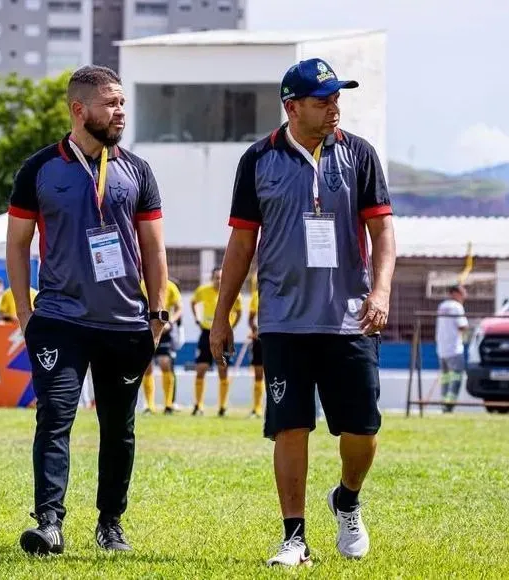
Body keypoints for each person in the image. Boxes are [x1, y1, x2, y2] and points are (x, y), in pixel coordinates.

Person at [209, 58, 396, 567]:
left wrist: (380, 293)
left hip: (350, 318)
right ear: (291, 107)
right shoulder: (257, 160)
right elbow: (241, 242)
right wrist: (222, 314)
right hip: (284, 321)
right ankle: (294, 537)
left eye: (337, 98)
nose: (334, 107)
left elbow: (383, 233)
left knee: (362, 431)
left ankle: (348, 499)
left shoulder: (361, 155)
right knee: (291, 426)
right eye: (322, 99)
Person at [5, 64, 168, 556]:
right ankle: (49, 523)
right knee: (54, 417)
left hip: (125, 323)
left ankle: (110, 525)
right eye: (112, 103)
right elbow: (17, 244)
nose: (121, 111)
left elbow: (154, 249)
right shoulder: (39, 169)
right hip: (59, 320)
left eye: (122, 102)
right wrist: (24, 313)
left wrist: (157, 315)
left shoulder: (137, 170)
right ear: (80, 110)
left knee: (119, 428)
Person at [190, 267, 242, 416]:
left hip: (224, 336)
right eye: (216, 278)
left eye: (221, 278)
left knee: (223, 370)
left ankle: (222, 407)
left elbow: (239, 312)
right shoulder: (202, 290)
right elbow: (193, 302)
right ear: (212, 278)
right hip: (206, 333)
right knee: (201, 369)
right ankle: (198, 406)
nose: (219, 280)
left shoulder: (233, 292)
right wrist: (197, 319)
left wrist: (231, 326)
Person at [139, 277, 182, 414]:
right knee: (147, 367)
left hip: (164, 330)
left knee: (165, 363)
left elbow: (179, 308)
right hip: (144, 329)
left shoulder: (170, 286)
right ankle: (149, 406)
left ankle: (168, 404)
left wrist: (171, 322)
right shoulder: (140, 285)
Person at [436, 285, 469, 413]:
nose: (465, 295)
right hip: (454, 349)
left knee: (445, 378)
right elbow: (462, 326)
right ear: (455, 293)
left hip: (442, 349)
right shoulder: (457, 307)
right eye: (463, 292)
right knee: (456, 378)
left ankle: (444, 403)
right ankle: (450, 405)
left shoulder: (442, 306)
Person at [246, 275, 265, 418]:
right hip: (260, 340)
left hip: (278, 338)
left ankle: (273, 407)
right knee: (258, 374)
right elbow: (251, 319)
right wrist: (255, 330)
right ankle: (257, 408)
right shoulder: (256, 296)